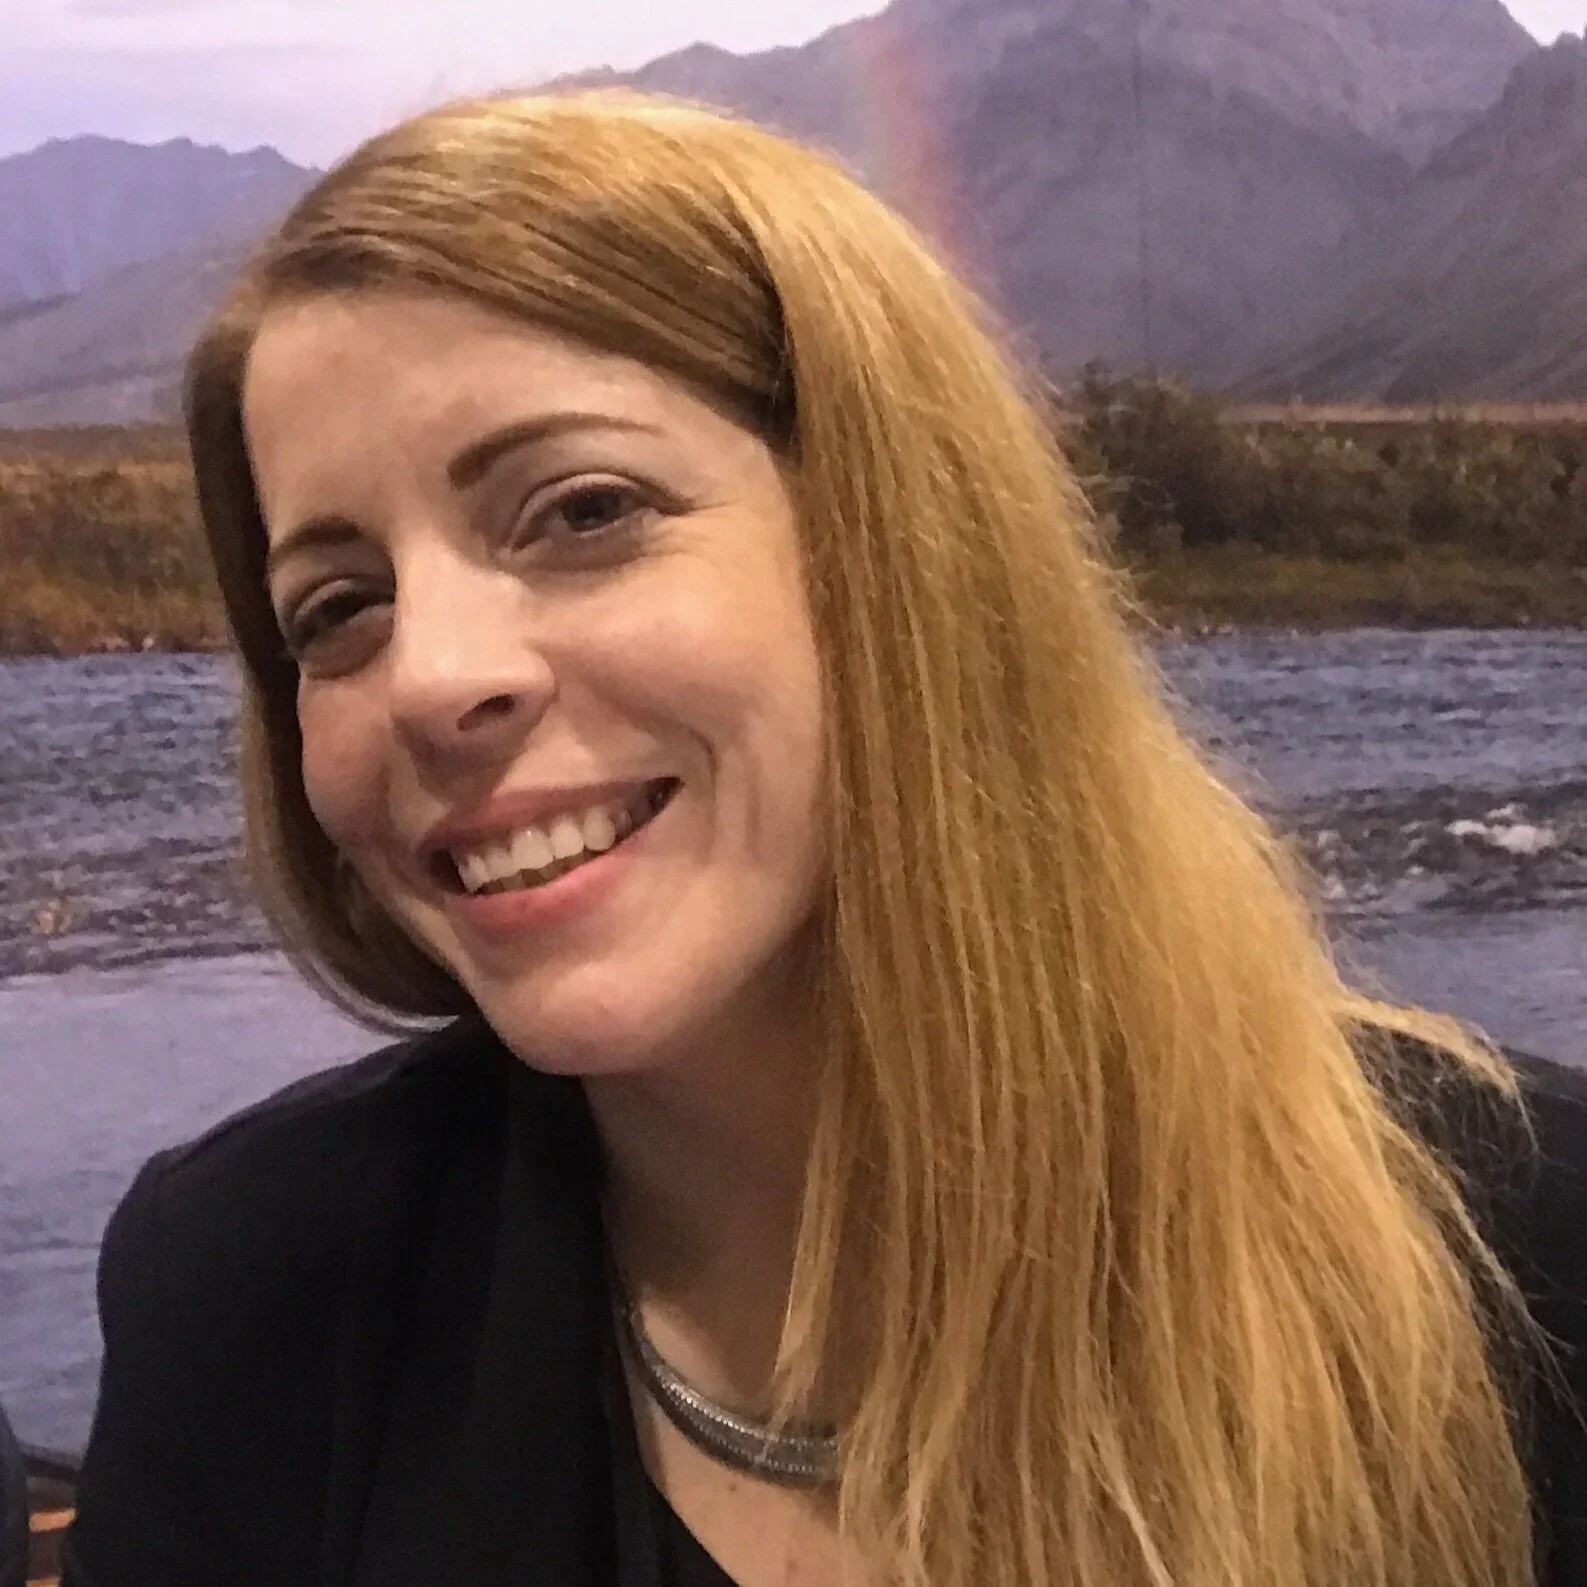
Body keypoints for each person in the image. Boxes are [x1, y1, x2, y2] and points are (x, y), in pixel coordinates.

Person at [61, 90, 1587, 1587]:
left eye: (580, 510)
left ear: (903, 542)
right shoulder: (258, 1298)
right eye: (336, 608)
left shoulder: (1525, 1247)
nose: (433, 674)